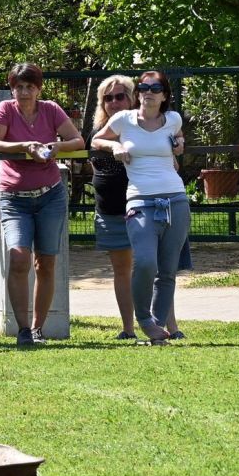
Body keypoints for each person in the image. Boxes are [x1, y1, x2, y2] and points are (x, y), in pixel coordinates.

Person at [0, 63, 84, 347]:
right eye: (18, 86)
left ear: (39, 88)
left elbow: (78, 139)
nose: (24, 92)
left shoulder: (51, 109)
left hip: (50, 195)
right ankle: (23, 330)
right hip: (15, 198)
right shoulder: (5, 110)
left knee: (46, 262)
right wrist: (24, 146)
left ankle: (38, 329)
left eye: (29, 86)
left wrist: (55, 147)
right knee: (18, 258)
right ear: (12, 88)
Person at [94, 72, 190, 345]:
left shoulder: (173, 119)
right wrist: (115, 145)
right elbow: (96, 140)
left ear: (164, 95)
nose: (148, 91)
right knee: (145, 262)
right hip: (140, 200)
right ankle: (144, 320)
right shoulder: (124, 120)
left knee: (168, 269)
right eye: (144, 87)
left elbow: (178, 137)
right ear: (138, 94)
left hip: (176, 199)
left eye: (155, 87)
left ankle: (159, 329)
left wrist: (179, 144)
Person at [86, 76, 140, 340]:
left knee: (152, 266)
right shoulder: (96, 133)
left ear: (132, 98)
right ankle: (128, 329)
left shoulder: (146, 127)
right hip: (109, 211)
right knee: (122, 270)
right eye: (108, 98)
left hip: (143, 208)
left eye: (120, 96)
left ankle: (167, 326)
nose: (114, 102)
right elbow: (95, 165)